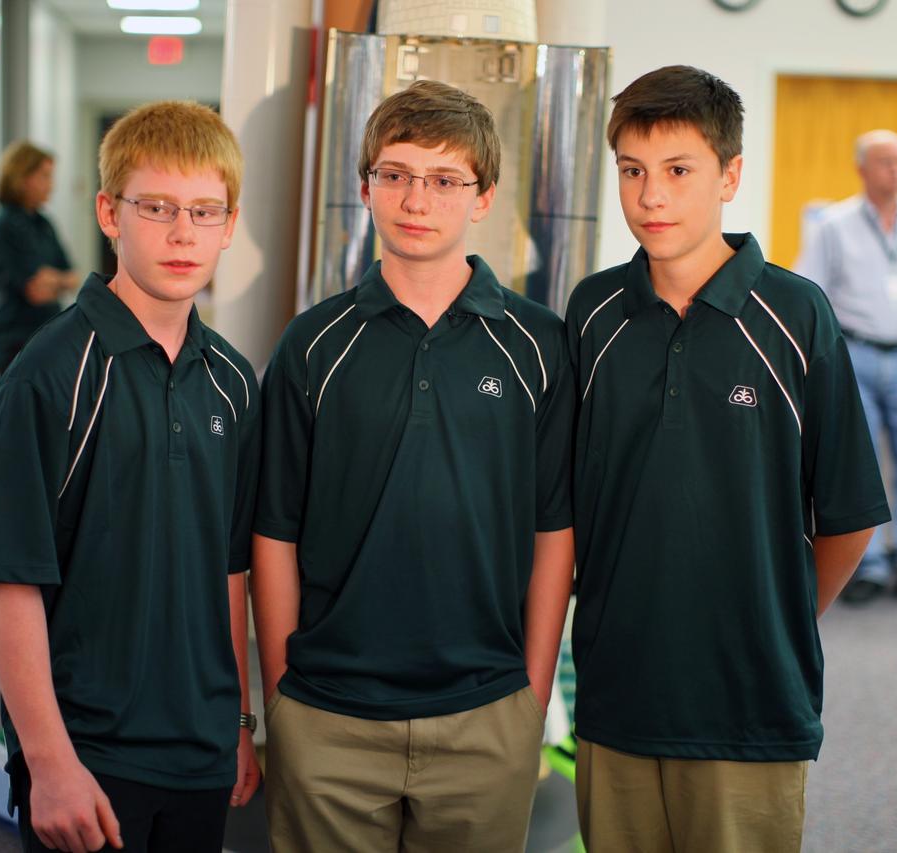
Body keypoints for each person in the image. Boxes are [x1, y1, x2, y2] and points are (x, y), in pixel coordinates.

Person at [566, 66, 890, 852]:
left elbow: (848, 516)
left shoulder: (796, 313)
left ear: (730, 176)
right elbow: (569, 507)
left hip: (750, 704)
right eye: (633, 172)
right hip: (619, 698)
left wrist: (774, 614)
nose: (652, 197)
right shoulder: (591, 313)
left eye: (679, 171)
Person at [253, 80, 575, 852]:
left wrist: (530, 697)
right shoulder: (313, 345)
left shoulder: (538, 345)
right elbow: (273, 535)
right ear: (365, 187)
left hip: (486, 709)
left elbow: (554, 528)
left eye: (443, 179)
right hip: (329, 712)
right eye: (394, 174)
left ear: (483, 197)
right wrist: (281, 701)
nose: (414, 198)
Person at [0, 100, 261, 853]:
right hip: (88, 752)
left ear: (230, 226)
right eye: (158, 206)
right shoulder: (48, 374)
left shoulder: (233, 382)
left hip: (200, 746)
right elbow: (9, 582)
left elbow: (230, 568)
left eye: (205, 211)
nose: (182, 232)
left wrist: (234, 722)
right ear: (110, 212)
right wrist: (48, 761)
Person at [796, 129, 897, 609]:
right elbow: (810, 294)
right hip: (857, 359)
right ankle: (864, 567)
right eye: (886, 162)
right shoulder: (834, 225)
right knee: (855, 468)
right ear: (862, 168)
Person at [0, 140, 76, 374]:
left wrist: (54, 280)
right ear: (23, 177)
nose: (51, 185)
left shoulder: (43, 223)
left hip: (48, 329)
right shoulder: (6, 223)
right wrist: (60, 282)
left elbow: (74, 277)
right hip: (15, 336)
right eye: (45, 176)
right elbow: (36, 291)